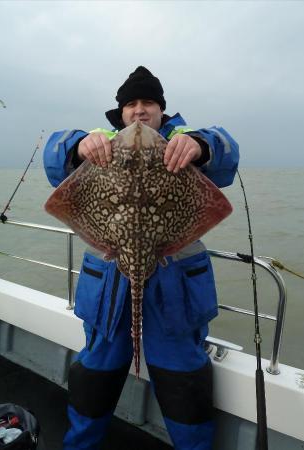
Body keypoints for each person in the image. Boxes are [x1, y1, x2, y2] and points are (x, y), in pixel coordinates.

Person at [43, 66, 239, 450]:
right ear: (120, 114)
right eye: (131, 104)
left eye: (148, 102)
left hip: (175, 288)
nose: (139, 111)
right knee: (94, 375)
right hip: (108, 288)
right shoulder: (100, 145)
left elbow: (226, 151)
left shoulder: (183, 141)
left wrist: (201, 145)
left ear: (162, 111)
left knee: (184, 378)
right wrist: (77, 145)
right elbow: (54, 154)